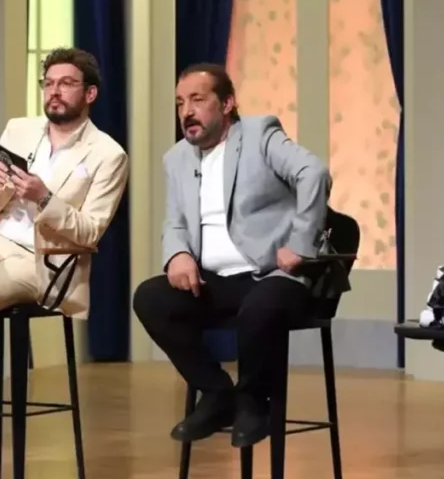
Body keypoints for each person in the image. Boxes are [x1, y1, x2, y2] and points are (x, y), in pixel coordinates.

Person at [0, 47, 129, 421]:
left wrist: (44, 198)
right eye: (48, 83)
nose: (54, 91)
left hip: (45, 260)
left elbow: (90, 232)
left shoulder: (108, 155)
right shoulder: (19, 130)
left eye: (66, 83)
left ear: (90, 93)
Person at [132, 63, 330, 449]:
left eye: (197, 100)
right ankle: (216, 392)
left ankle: (253, 402)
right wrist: (177, 255)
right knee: (150, 298)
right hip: (215, 282)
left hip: (272, 276)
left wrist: (301, 243)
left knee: (260, 306)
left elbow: (314, 172)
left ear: (226, 104)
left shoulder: (259, 134)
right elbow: (175, 221)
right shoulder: (176, 158)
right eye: (180, 103)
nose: (186, 111)